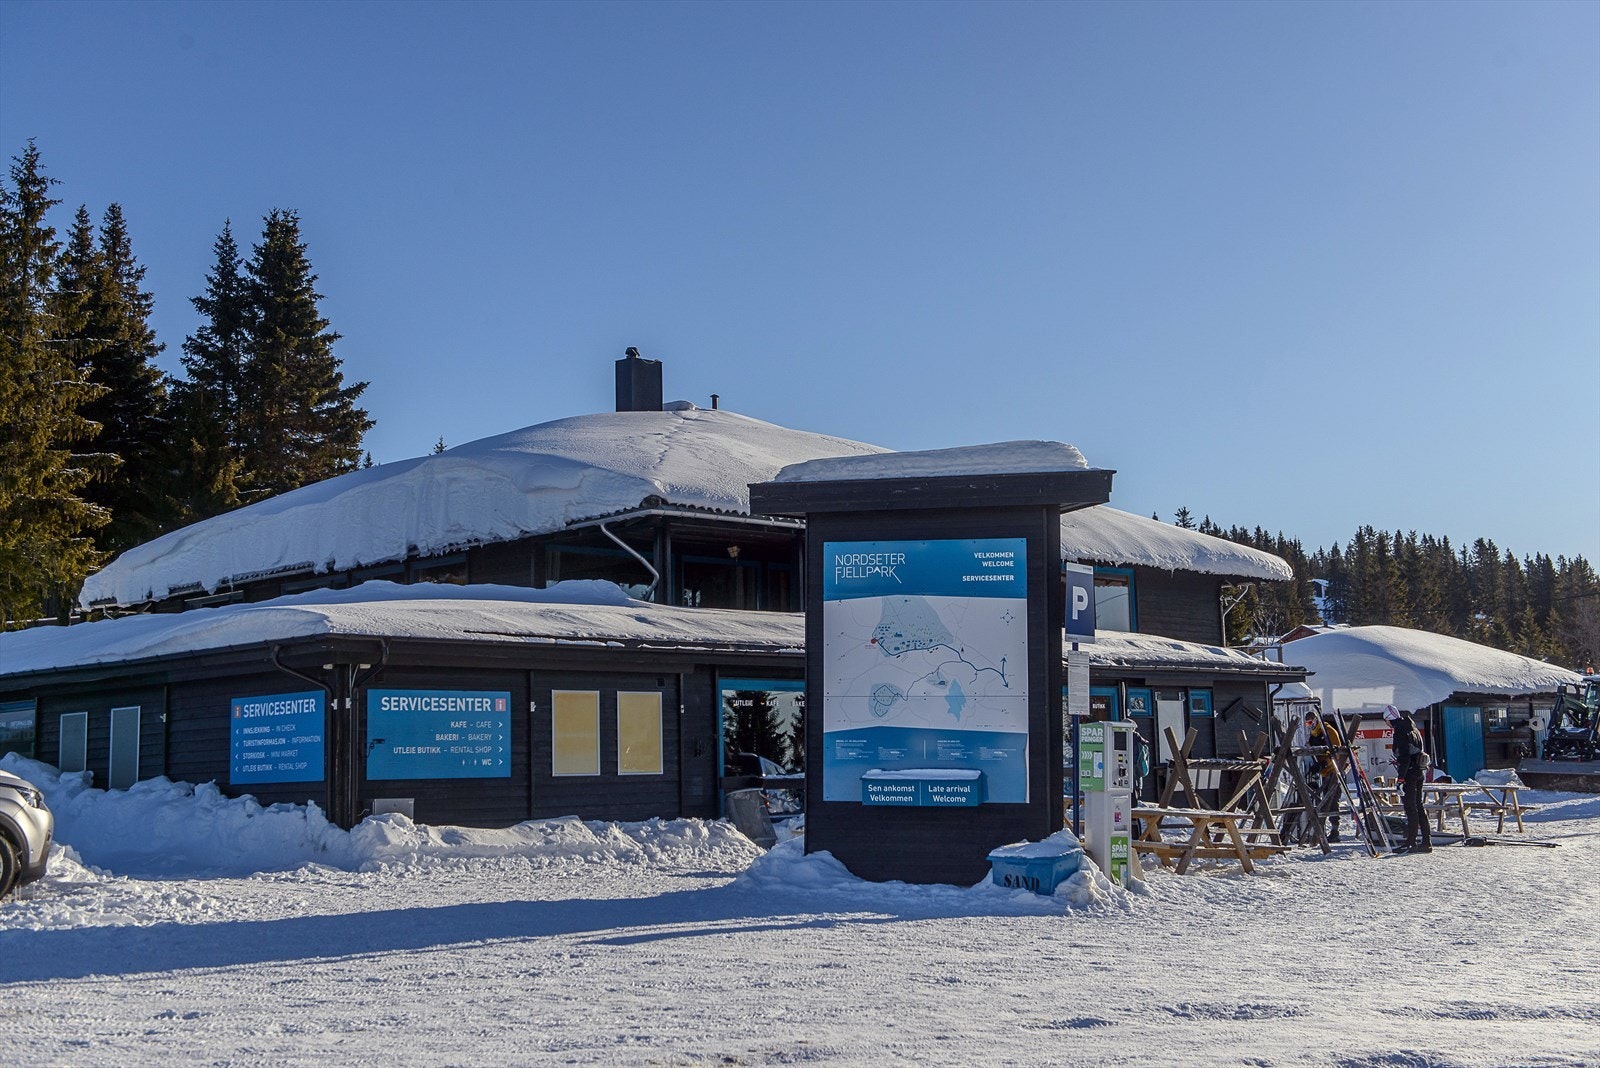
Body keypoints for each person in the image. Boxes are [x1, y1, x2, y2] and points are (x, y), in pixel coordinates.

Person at [1385, 704, 1432, 854]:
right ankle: (1426, 841)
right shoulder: (1413, 727)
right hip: (1420, 770)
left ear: (1388, 719)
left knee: (1410, 807)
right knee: (1419, 806)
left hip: (1410, 773)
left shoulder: (1400, 730)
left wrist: (1400, 779)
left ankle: (1411, 842)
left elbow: (1404, 756)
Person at [1306, 713, 1347, 843]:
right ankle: (1321, 831)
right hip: (1324, 773)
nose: (1309, 725)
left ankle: (1335, 831)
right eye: (1307, 723)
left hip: (1334, 770)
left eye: (1311, 722)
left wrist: (1325, 763)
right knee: (1323, 802)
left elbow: (1335, 751)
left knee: (1333, 801)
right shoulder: (1313, 735)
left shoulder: (1328, 731)